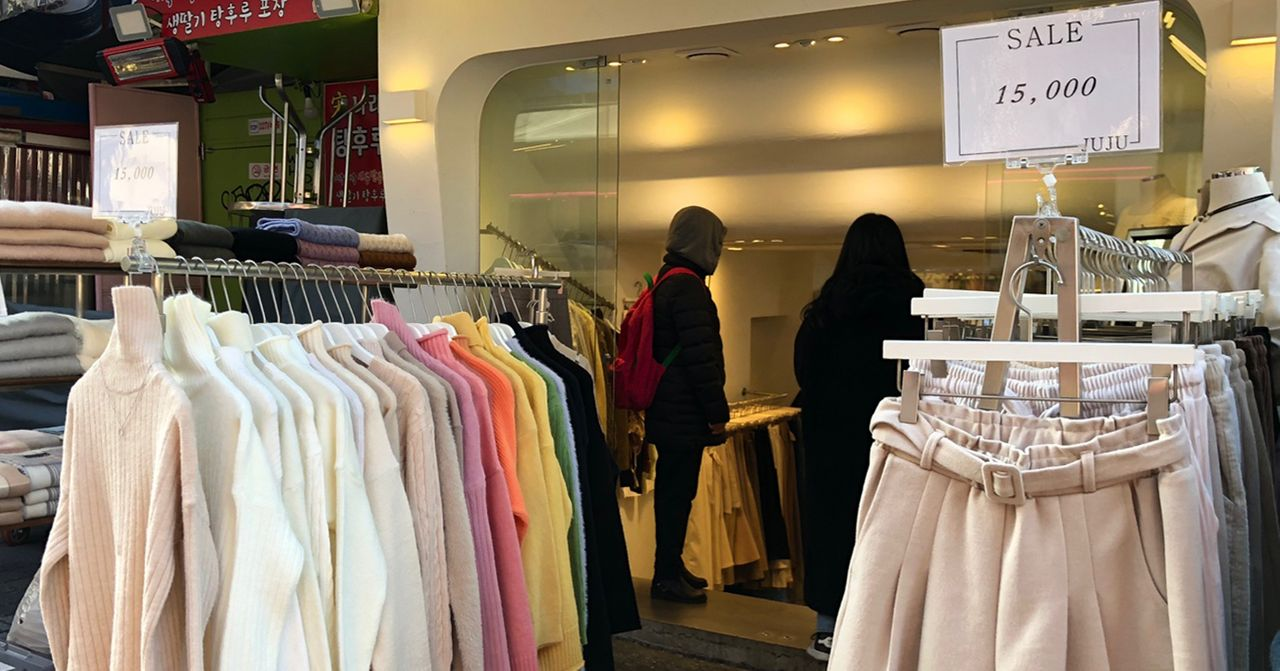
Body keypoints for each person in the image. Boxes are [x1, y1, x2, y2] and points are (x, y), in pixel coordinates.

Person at [793, 213, 924, 661]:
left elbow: (804, 371)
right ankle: (890, 633)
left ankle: (828, 629)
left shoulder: (824, 310)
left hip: (831, 437)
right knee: (894, 529)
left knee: (832, 526)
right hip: (898, 437)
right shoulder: (917, 306)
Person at [646, 205, 730, 604]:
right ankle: (666, 575)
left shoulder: (668, 279)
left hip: (669, 407)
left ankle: (671, 566)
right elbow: (701, 357)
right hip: (683, 411)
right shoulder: (688, 287)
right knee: (677, 494)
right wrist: (717, 413)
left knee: (675, 491)